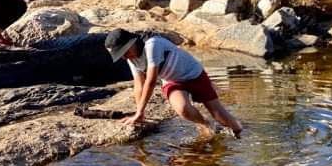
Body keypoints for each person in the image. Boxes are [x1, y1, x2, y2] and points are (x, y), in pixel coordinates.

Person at [104, 28, 243, 138]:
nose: (124, 57)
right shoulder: (130, 59)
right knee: (182, 109)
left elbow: (151, 81)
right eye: (120, 55)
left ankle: (240, 131)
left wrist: (140, 111)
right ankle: (206, 124)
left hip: (194, 74)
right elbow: (139, 84)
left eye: (124, 52)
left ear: (132, 42)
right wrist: (139, 113)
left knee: (219, 115)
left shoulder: (152, 45)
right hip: (173, 81)